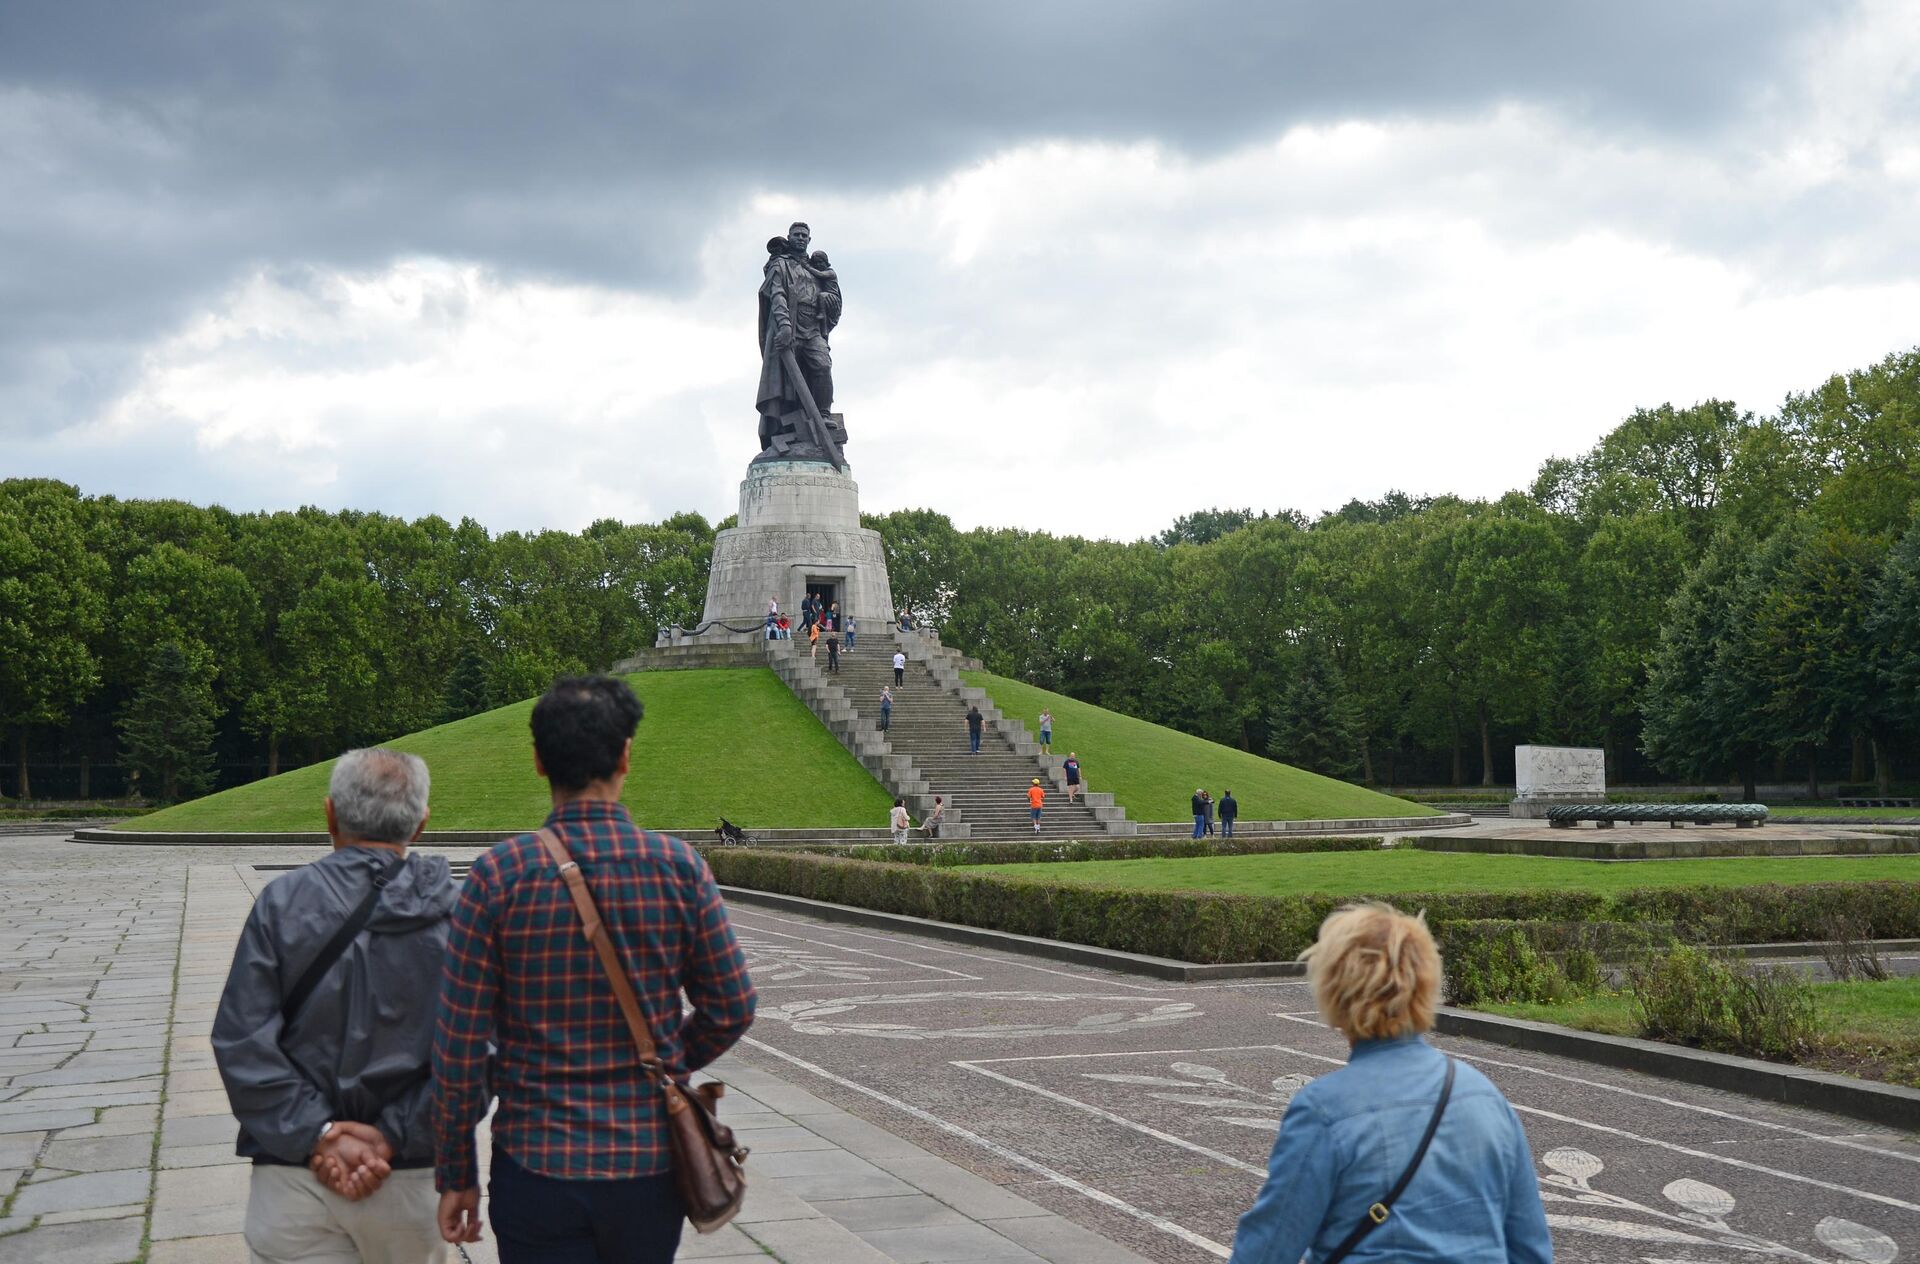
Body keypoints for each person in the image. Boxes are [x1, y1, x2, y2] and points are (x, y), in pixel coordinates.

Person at [431, 676, 757, 1262]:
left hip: (536, 1161)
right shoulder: (679, 868)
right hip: (647, 1163)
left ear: (537, 761)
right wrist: (665, 1060)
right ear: (626, 755)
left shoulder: (496, 877)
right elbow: (731, 1006)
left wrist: (457, 1171)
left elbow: (457, 1049)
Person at [213, 748, 455, 1264]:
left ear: (329, 813)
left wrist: (319, 1134)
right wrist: (392, 1137)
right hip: (410, 1178)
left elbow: (242, 1039)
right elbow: (476, 1053)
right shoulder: (456, 917)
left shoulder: (281, 903)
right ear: (421, 824)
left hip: (295, 1175)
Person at [1228, 903, 1552, 1263]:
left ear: (1334, 992)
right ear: (1426, 983)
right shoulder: (1486, 1098)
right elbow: (1531, 1249)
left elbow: (1269, 1248)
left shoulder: (1323, 1110)